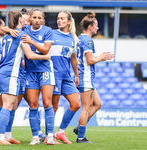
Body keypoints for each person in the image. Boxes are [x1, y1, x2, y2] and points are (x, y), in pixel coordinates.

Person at [0, 11, 51, 145]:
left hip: (2, 72)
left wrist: (7, 28)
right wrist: (45, 57)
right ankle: (0, 138)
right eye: (23, 20)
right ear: (20, 21)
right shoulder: (21, 35)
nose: (26, 22)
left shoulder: (7, 35)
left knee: (12, 105)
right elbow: (30, 55)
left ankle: (7, 136)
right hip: (10, 74)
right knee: (7, 106)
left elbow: (2, 28)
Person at [75, 11, 114, 143]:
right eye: (96, 25)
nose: (98, 27)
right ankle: (81, 137)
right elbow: (90, 61)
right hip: (86, 77)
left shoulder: (80, 38)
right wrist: (101, 58)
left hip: (85, 76)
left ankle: (80, 126)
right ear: (90, 27)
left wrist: (100, 57)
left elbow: (89, 59)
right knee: (86, 108)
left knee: (98, 104)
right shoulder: (88, 40)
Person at [21, 8, 56, 145]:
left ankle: (50, 136)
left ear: (43, 19)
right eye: (34, 17)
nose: (36, 20)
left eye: (39, 18)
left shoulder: (47, 31)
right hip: (31, 72)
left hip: (45, 70)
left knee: (47, 103)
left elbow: (45, 50)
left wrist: (32, 41)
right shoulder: (25, 30)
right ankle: (35, 136)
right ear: (30, 18)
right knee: (33, 104)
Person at [48, 11, 80, 144]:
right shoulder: (51, 34)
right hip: (54, 76)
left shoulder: (73, 39)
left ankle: (60, 132)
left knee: (76, 104)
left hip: (66, 77)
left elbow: (73, 58)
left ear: (68, 22)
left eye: (62, 19)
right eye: (58, 18)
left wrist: (76, 75)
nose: (59, 21)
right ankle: (48, 135)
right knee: (54, 107)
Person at [18, 8, 46, 142]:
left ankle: (39, 132)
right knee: (13, 104)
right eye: (22, 20)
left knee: (33, 103)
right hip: (20, 75)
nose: (25, 22)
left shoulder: (33, 31)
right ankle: (3, 133)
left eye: (26, 20)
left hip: (29, 73)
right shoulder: (20, 32)